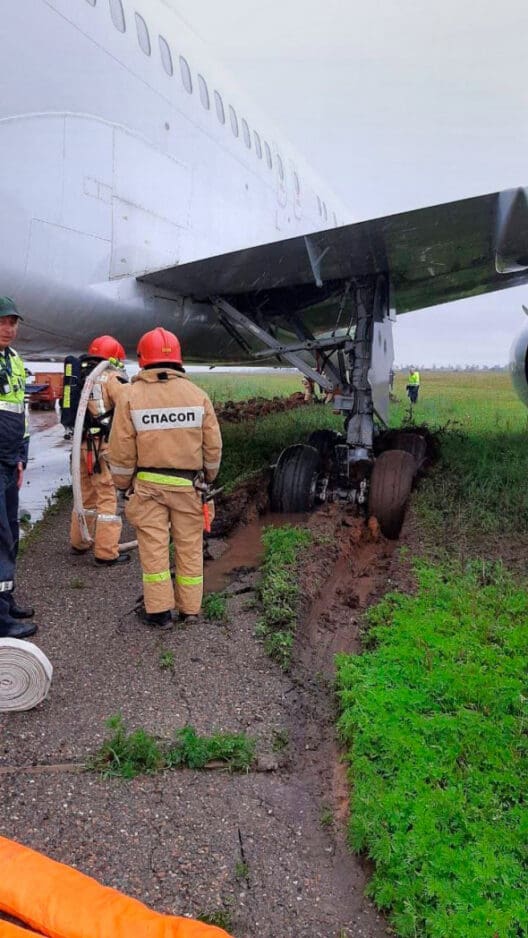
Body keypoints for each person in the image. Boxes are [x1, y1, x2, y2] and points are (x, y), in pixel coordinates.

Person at [108, 327, 222, 628]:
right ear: (178, 361)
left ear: (143, 359)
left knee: (154, 549)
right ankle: (190, 610)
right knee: (189, 548)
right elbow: (213, 447)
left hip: (148, 488)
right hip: (189, 487)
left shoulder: (131, 396)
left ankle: (159, 614)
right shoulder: (198, 395)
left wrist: (122, 485)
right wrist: (208, 477)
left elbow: (120, 451)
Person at [70, 335, 130, 566]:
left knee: (84, 496)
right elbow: (129, 404)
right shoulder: (111, 377)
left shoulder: (81, 377)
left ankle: (79, 542)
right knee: (107, 499)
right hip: (102, 448)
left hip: (81, 446)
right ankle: (106, 553)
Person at [0, 297, 38, 638]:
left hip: (10, 461)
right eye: (2, 321)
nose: (8, 328)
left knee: (10, 532)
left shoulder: (13, 360)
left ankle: (5, 598)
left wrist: (22, 456)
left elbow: (18, 415)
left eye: (12, 322)